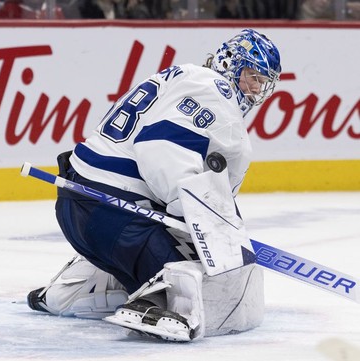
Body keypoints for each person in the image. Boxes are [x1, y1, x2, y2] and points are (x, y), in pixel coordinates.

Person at [27, 29, 281, 341]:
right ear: (231, 65)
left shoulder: (182, 75)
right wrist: (205, 224)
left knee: (167, 241)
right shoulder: (217, 94)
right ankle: (161, 304)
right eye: (252, 77)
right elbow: (161, 147)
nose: (256, 90)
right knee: (224, 284)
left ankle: (77, 288)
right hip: (119, 219)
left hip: (75, 205)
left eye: (262, 82)